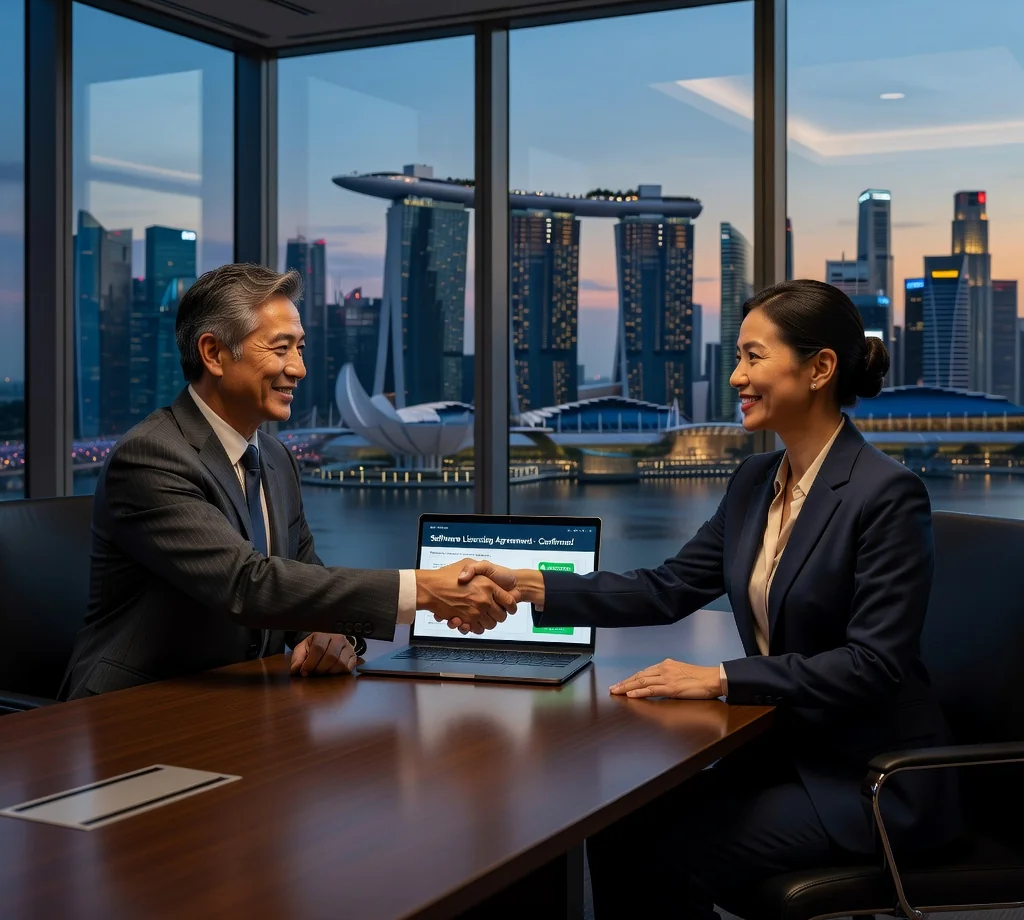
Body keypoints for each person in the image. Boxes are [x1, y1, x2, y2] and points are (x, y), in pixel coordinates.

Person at [454, 279, 960, 917]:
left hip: (867, 780)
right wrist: (533, 587)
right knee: (616, 823)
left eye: (753, 357)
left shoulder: (886, 495)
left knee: (660, 849)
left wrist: (721, 677)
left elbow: (873, 664)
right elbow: (667, 588)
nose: (736, 377)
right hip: (784, 755)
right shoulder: (754, 481)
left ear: (820, 368)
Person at [60, 264, 518, 700]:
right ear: (213, 353)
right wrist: (425, 590)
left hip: (234, 706)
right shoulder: (150, 457)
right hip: (133, 711)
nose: (298, 368)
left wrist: (333, 635)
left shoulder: (275, 458)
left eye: (299, 348)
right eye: (280, 349)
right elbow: (248, 585)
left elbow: (306, 585)